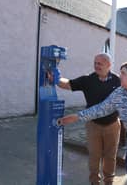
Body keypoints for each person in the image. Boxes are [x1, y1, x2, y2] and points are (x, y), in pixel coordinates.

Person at [51, 53, 121, 185]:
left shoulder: (118, 81)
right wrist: (56, 78)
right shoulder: (88, 79)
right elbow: (68, 84)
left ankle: (109, 182)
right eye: (95, 63)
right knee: (94, 156)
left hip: (112, 125)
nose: (96, 66)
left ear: (109, 65)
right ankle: (94, 182)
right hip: (93, 125)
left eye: (100, 63)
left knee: (110, 156)